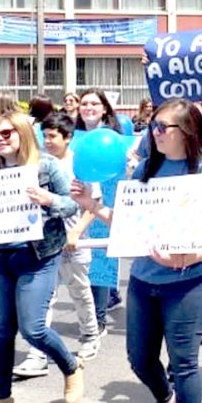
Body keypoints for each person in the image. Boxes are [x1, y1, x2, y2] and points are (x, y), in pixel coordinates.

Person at [71, 99, 202, 403]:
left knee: (185, 364)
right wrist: (93, 207)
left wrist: (188, 257)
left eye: (163, 128)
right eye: (153, 127)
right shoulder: (146, 169)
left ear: (188, 133)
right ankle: (166, 400)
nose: (154, 133)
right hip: (145, 281)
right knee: (140, 359)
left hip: (191, 284)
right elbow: (130, 225)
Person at [0, 111, 84, 403]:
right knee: (1, 331)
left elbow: (72, 204)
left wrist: (48, 199)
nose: (0, 140)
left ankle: (71, 366)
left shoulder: (47, 166)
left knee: (33, 328)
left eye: (7, 133)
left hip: (38, 257)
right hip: (0, 258)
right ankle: (1, 398)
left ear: (22, 133)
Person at [41, 112, 101, 361]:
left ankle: (90, 336)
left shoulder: (81, 164)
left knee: (79, 291)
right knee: (46, 295)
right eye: (44, 136)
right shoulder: (40, 164)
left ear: (68, 137)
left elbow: (95, 204)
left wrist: (76, 232)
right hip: (47, 242)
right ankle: (40, 347)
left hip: (75, 242)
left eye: (52, 136)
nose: (47, 141)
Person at [74, 87, 124, 334]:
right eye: (84, 103)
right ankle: (88, 314)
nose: (88, 108)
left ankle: (99, 317)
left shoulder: (113, 137)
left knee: (103, 258)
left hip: (107, 199)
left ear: (105, 108)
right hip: (81, 201)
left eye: (94, 103)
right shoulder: (74, 137)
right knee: (82, 259)